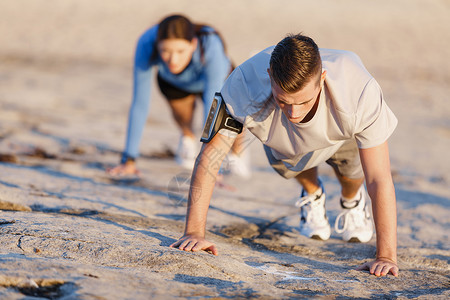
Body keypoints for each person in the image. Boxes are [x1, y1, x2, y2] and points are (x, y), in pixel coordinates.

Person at [170, 34, 399, 277]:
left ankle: (351, 200)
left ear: (322, 79)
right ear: (269, 75)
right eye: (284, 101)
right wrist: (194, 232)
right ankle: (313, 192)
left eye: (303, 101)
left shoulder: (359, 91)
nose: (294, 113)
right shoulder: (243, 83)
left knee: (352, 173)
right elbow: (210, 157)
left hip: (341, 131)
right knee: (290, 161)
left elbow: (379, 178)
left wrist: (386, 256)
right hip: (284, 143)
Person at [107, 14, 250, 178]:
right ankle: (187, 139)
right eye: (165, 51)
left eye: (180, 51)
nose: (173, 60)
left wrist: (211, 167)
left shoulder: (210, 43)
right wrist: (128, 161)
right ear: (157, 45)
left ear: (193, 44)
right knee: (182, 114)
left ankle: (237, 154)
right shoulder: (146, 43)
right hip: (176, 83)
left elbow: (212, 107)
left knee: (234, 123)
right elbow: (140, 103)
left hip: (220, 82)